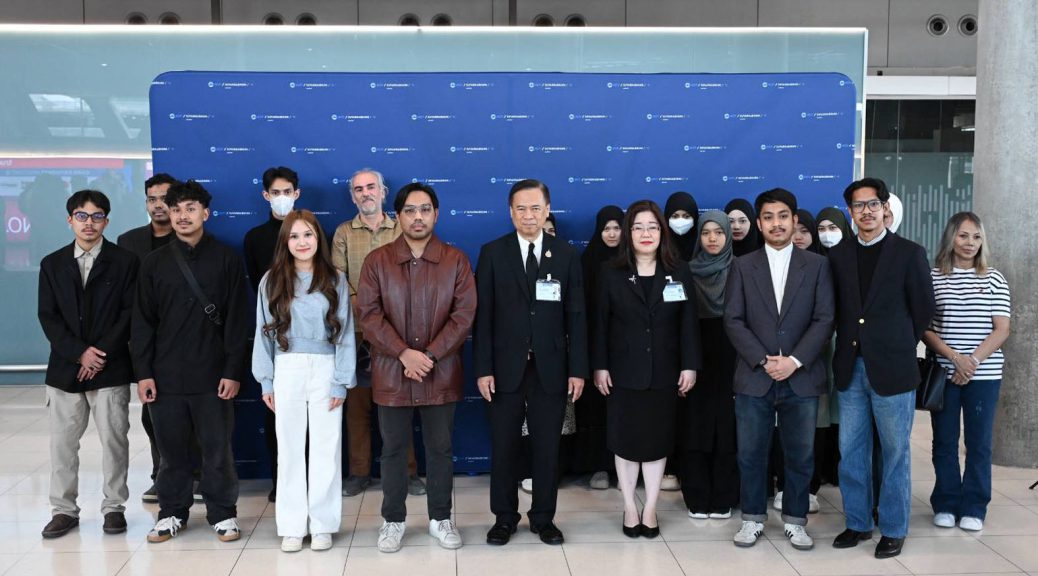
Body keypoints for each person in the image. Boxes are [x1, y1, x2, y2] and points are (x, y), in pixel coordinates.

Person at [357, 183, 477, 553]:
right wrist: (403, 354)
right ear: (398, 216)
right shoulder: (377, 261)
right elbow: (369, 315)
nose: (418, 217)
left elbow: (463, 315)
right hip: (392, 372)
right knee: (393, 450)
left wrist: (429, 356)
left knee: (440, 449)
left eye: (425, 209)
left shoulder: (455, 260)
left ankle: (441, 519)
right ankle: (393, 521)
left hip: (441, 371)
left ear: (436, 214)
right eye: (409, 210)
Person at [132, 180, 250, 544]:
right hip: (165, 375)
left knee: (217, 450)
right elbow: (142, 322)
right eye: (176, 209)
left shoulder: (227, 258)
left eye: (190, 209)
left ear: (205, 213)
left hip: (213, 374)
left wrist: (232, 371)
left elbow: (238, 320)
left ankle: (223, 513)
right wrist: (144, 374)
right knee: (171, 452)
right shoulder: (154, 263)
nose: (182, 216)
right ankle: (171, 513)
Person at [474, 178, 588, 546]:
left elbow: (576, 318)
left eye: (535, 208)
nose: (528, 215)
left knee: (547, 448)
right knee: (504, 447)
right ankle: (504, 518)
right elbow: (483, 318)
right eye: (521, 208)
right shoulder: (493, 253)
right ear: (510, 212)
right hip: (504, 369)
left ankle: (543, 518)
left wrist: (578, 369)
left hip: (551, 369)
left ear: (547, 210)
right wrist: (483, 368)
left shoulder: (566, 255)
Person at [829, 177, 935, 559]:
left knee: (895, 452)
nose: (867, 211)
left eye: (873, 204)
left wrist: (896, 343)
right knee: (851, 450)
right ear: (850, 212)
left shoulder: (909, 253)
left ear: (885, 208)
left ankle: (893, 527)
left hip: (893, 369)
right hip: (850, 367)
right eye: (859, 205)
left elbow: (923, 309)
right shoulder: (838, 255)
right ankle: (858, 522)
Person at [724, 188, 834, 551]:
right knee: (750, 453)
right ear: (759, 223)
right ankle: (753, 518)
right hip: (755, 375)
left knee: (800, 455)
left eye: (783, 216)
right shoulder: (742, 266)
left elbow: (824, 319)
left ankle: (796, 521)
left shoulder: (817, 265)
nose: (776, 223)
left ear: (794, 220)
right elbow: (733, 319)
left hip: (801, 375)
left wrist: (794, 361)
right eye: (768, 217)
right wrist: (763, 359)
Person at [591, 199, 700, 538]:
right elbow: (600, 325)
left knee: (657, 442)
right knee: (625, 442)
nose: (645, 233)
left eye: (652, 226)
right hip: (622, 372)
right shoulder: (611, 272)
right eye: (638, 227)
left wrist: (690, 365)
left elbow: (688, 323)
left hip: (665, 371)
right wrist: (600, 366)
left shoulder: (679, 270)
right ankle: (629, 506)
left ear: (662, 232)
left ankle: (650, 508)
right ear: (629, 233)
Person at [252, 209, 355, 552]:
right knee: (290, 449)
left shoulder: (335, 279)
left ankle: (323, 524)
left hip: (326, 366)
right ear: (285, 241)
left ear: (318, 238)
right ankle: (293, 525)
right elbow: (263, 332)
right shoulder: (271, 281)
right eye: (294, 236)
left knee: (326, 448)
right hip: (287, 367)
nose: (301, 242)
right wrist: (266, 380)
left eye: (307, 234)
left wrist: (341, 380)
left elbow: (345, 332)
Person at [37, 190, 138, 539]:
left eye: (97, 216)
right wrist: (79, 353)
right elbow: (48, 316)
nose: (89, 223)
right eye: (82, 216)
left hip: (110, 367)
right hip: (65, 370)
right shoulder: (52, 263)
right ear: (70, 220)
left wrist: (99, 354)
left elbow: (129, 313)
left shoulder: (126, 261)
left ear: (106, 221)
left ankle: (114, 507)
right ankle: (64, 510)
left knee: (114, 441)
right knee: (62, 445)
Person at [330, 168, 424, 498]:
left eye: (371, 187)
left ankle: (407, 472)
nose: (365, 193)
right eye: (359, 189)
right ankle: (359, 473)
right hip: (356, 333)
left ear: (383, 192)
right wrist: (367, 310)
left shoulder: (402, 227)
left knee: (398, 406)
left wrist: (389, 317)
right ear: (352, 196)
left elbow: (416, 274)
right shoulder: (343, 232)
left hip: (399, 336)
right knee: (358, 409)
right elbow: (338, 281)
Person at [117, 173, 204, 503]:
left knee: (195, 414)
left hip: (193, 342)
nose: (158, 205)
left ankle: (197, 475)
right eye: (152, 199)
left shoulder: (191, 241)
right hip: (149, 343)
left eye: (164, 199)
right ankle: (162, 475)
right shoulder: (129, 242)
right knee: (154, 415)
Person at [923, 212, 1010, 532]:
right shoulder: (933, 277)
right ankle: (946, 502)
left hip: (984, 376)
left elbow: (1001, 329)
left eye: (976, 237)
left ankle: (974, 506)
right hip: (944, 374)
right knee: (944, 442)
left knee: (979, 443)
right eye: (963, 235)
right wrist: (954, 358)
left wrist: (970, 361)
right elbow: (925, 328)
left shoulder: (994, 278)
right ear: (951, 238)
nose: (970, 243)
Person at [243, 166, 304, 502]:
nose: (282, 198)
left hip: (312, 339)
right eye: (276, 193)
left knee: (312, 416)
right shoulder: (255, 238)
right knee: (276, 414)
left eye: (287, 192)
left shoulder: (311, 231)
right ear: (266, 195)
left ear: (297, 194)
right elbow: (258, 288)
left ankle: (311, 479)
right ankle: (281, 481)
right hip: (275, 338)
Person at [683, 210, 738, 520]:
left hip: (734, 353)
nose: (712, 238)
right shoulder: (685, 272)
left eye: (719, 232)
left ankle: (724, 496)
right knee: (695, 425)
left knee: (727, 426)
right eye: (706, 233)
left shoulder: (741, 269)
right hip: (695, 352)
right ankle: (697, 495)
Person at [574, 205, 624, 490]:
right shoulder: (587, 262)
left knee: (625, 411)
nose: (612, 234)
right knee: (595, 409)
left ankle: (626, 466)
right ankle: (599, 467)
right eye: (607, 228)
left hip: (626, 349)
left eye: (617, 228)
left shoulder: (635, 262)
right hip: (594, 348)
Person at [664, 191, 699, 261]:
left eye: (686, 216)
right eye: (675, 216)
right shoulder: (659, 247)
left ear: (694, 218)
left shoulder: (702, 247)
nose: (680, 221)